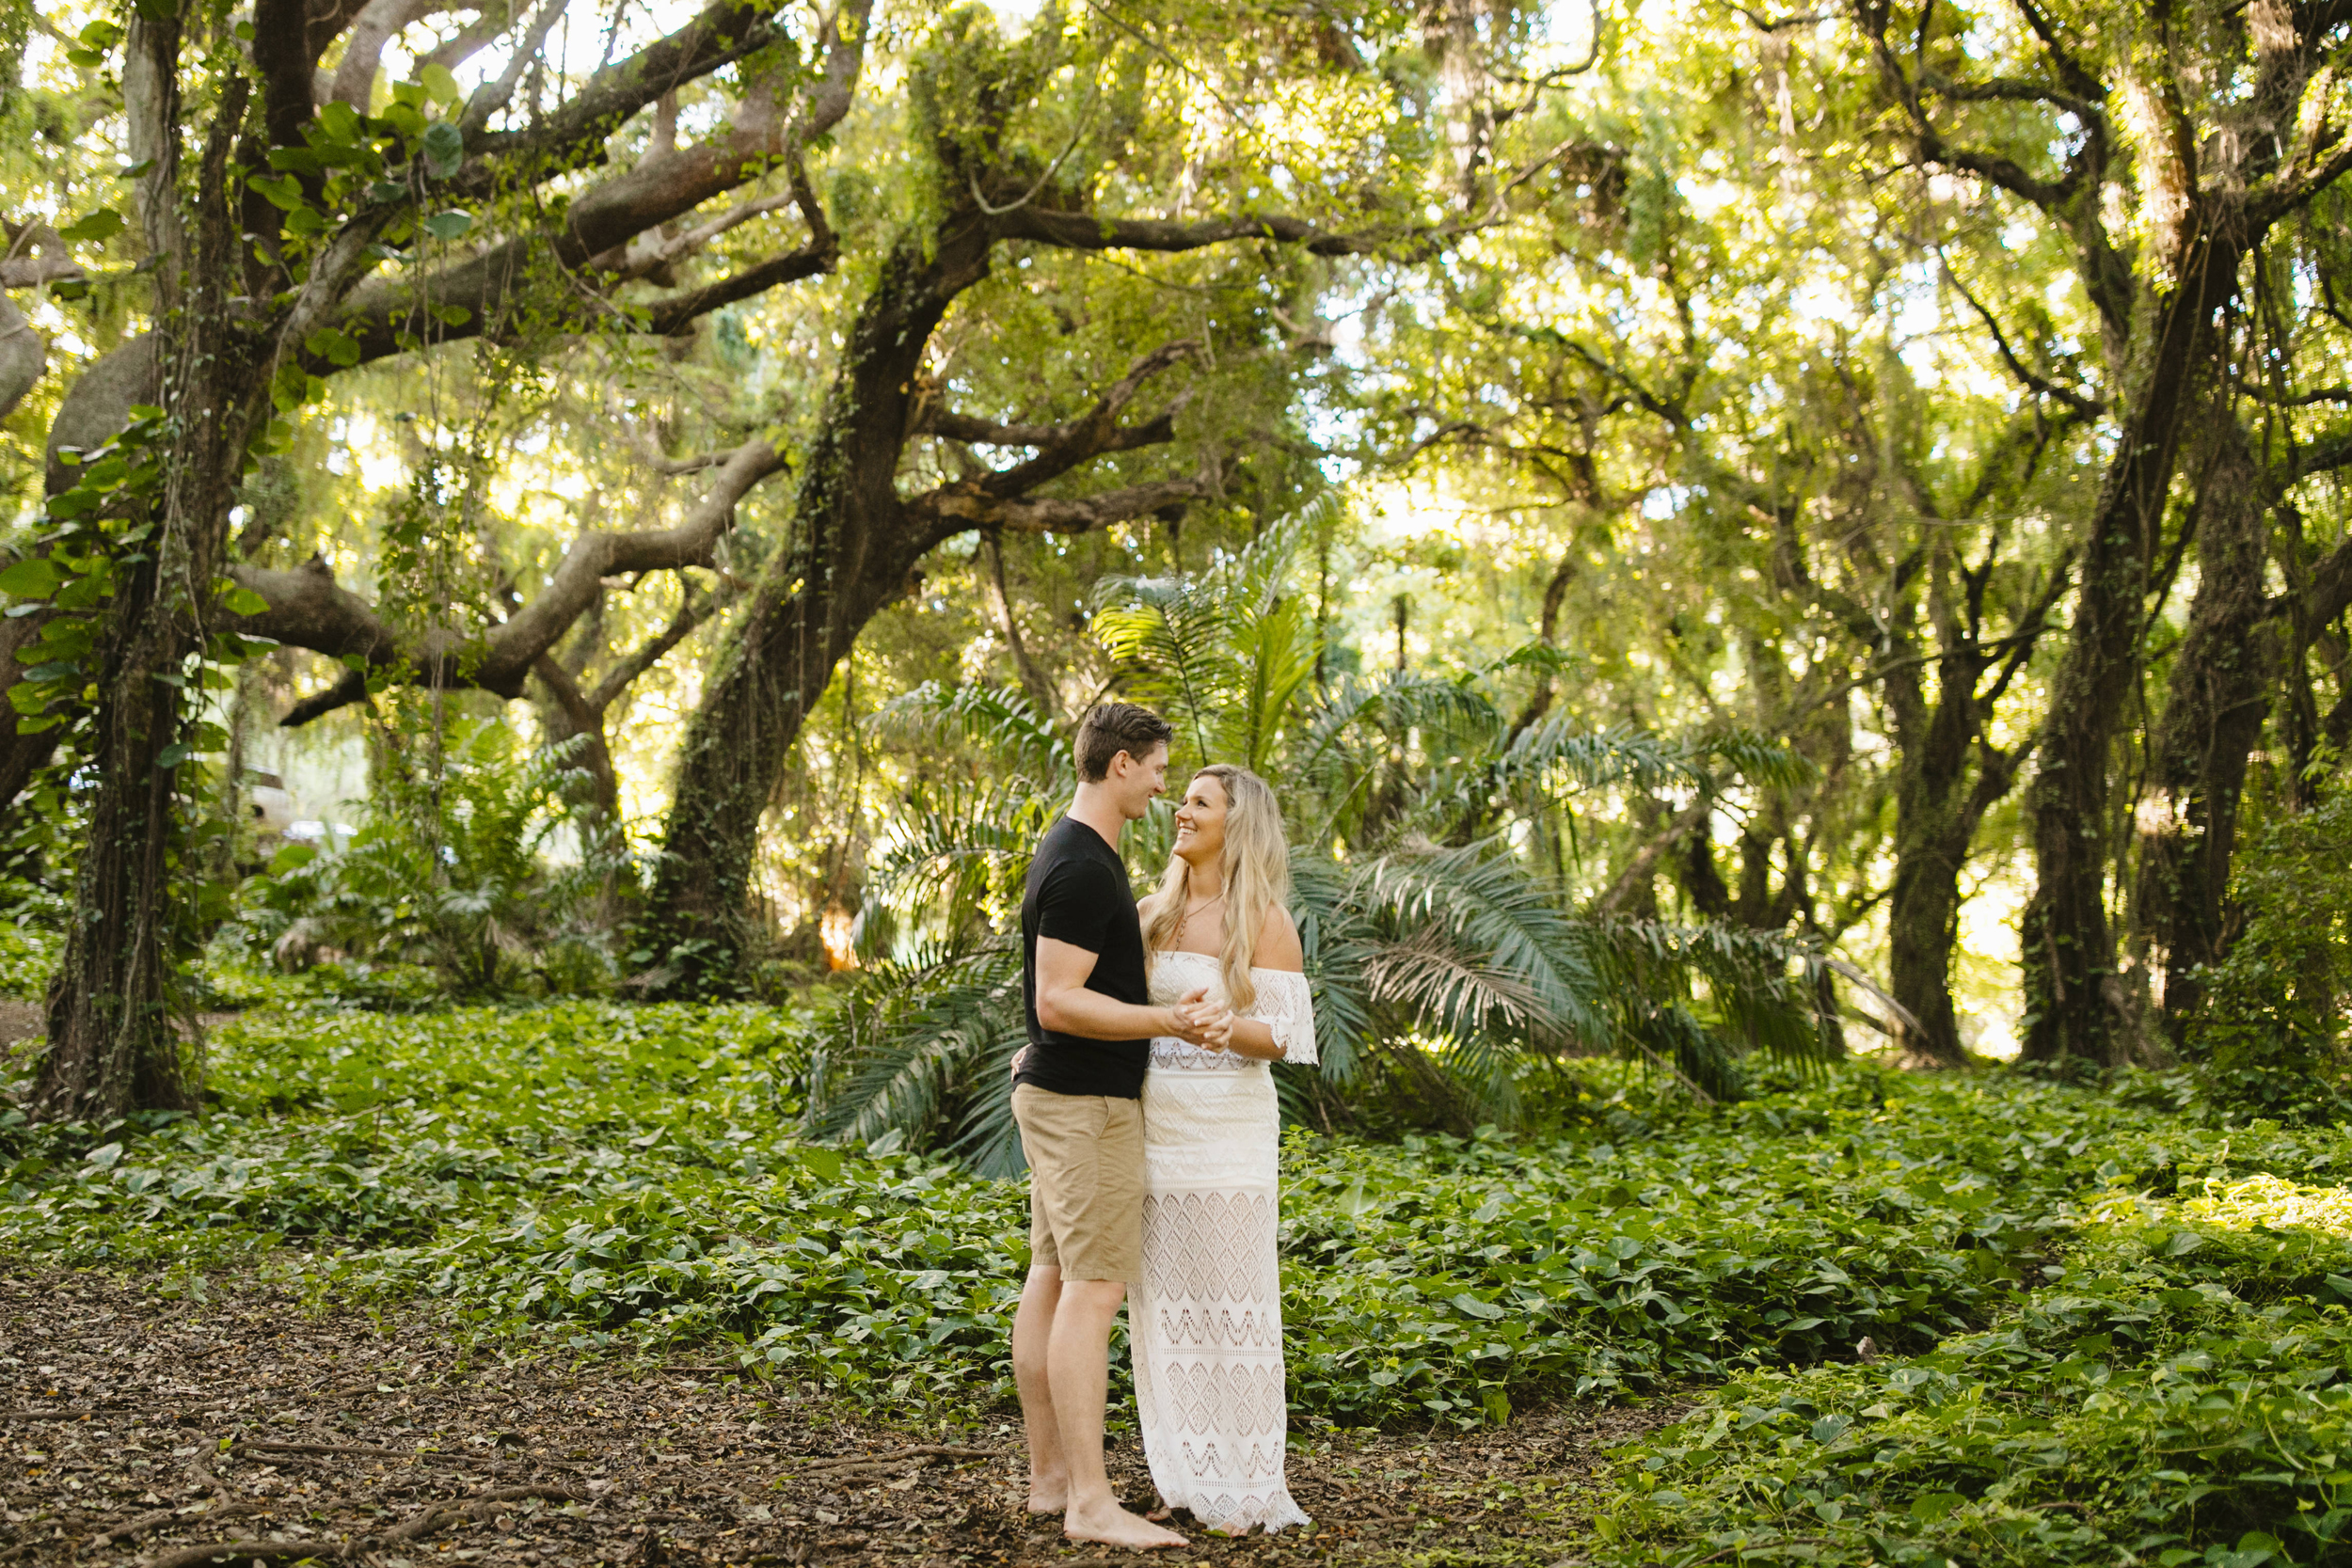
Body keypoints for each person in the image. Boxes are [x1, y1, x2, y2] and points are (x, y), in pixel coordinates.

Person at [1009, 702, 1224, 1550]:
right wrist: (1167, 1023)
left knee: (1054, 1278)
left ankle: (1052, 1477)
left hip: (1065, 1096)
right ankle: (1090, 1503)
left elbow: (1051, 991)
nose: (1167, 783)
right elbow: (1056, 998)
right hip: (1087, 1106)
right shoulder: (1084, 866)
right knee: (1092, 1291)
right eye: (1161, 767)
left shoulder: (1074, 851)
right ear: (1123, 764)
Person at [1129, 764, 1316, 1535]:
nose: (1182, 809)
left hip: (1229, 1136)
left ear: (1236, 824)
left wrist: (1221, 1028)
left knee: (1233, 1309)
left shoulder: (1265, 919)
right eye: (1183, 798)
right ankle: (1182, 1474)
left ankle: (1243, 1483)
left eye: (1200, 802)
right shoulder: (1146, 912)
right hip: (1153, 1133)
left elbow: (1285, 1036)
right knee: (1163, 1310)